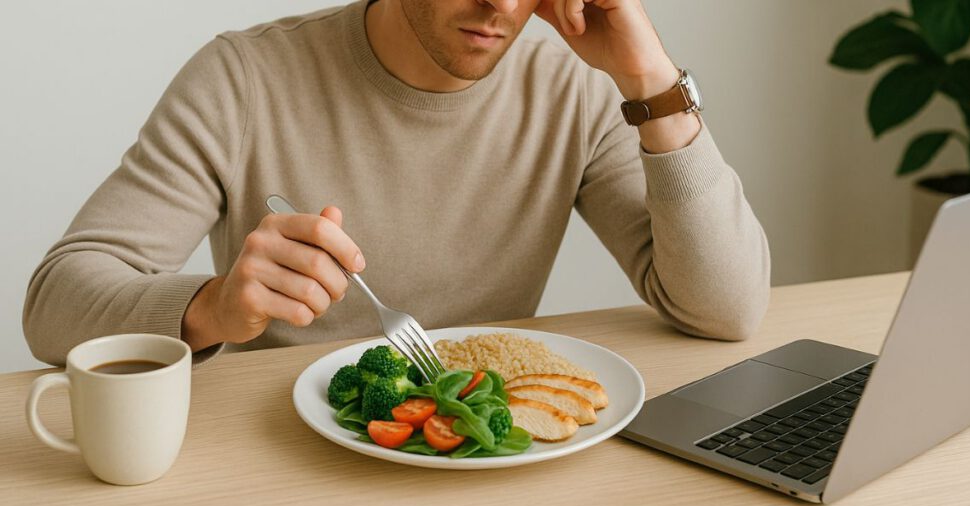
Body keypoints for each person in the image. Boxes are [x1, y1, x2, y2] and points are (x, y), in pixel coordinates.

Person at [23, 0, 770, 366]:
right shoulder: (243, 79)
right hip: (275, 463)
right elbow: (55, 303)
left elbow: (726, 308)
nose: (500, 6)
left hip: (485, 467)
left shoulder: (573, 91)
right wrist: (212, 307)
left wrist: (652, 82)